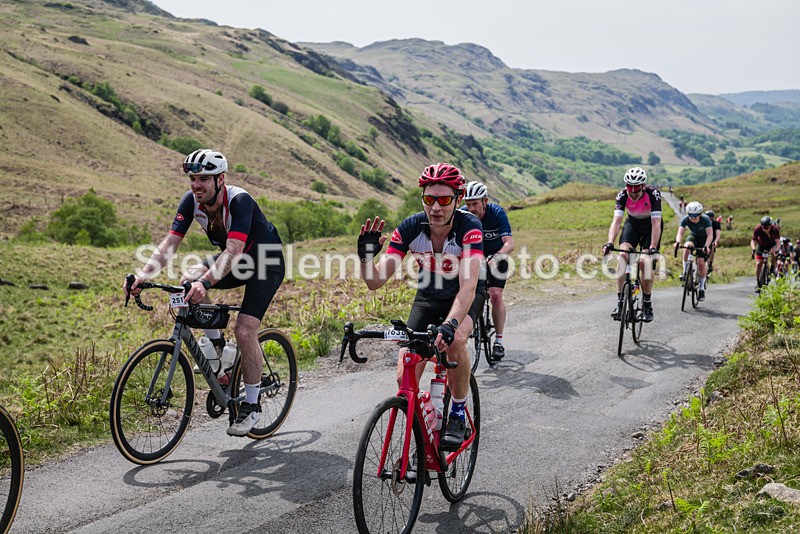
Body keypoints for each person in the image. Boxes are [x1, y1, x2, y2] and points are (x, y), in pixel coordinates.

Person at [122, 149, 285, 436]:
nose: (196, 185)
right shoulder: (191, 201)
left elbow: (233, 250)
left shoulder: (240, 201)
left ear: (221, 179)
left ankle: (251, 405)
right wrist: (143, 275)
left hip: (265, 263)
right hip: (236, 261)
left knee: (245, 330)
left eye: (204, 179)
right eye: (193, 179)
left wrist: (206, 283)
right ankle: (219, 348)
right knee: (188, 278)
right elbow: (169, 244)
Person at [357, 163, 484, 450]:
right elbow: (375, 281)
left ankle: (457, 412)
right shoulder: (411, 227)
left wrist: (450, 325)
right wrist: (365, 257)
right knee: (404, 375)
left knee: (456, 340)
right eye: (429, 199)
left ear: (458, 199)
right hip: (429, 295)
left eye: (444, 199)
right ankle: (425, 431)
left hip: (466, 293)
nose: (435, 207)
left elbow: (468, 287)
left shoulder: (469, 227)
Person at [461, 181, 515, 362]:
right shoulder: (462, 214)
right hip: (474, 258)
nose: (471, 208)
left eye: (475, 204)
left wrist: (497, 257)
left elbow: (509, 243)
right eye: (468, 204)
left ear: (485, 201)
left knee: (495, 295)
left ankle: (498, 341)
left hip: (496, 256)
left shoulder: (497, 213)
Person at [603, 167, 663, 323]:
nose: (633, 193)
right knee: (623, 256)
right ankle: (620, 302)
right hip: (633, 225)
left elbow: (656, 223)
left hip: (650, 227)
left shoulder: (653, 194)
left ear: (643, 186)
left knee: (644, 262)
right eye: (630, 189)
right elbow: (616, 222)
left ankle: (647, 305)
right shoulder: (623, 195)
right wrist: (610, 242)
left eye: (636, 190)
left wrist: (653, 247)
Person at [674, 202, 714, 301]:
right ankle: (685, 271)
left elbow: (710, 234)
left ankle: (701, 289)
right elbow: (680, 232)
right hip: (694, 236)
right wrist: (678, 242)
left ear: (700, 214)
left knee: (700, 262)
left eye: (695, 216)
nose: (692, 218)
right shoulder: (685, 219)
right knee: (687, 247)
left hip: (705, 240)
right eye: (690, 216)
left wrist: (706, 246)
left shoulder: (705, 219)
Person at [750, 216, 780, 293]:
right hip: (762, 245)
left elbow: (778, 243)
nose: (765, 229)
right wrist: (753, 249)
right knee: (758, 264)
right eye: (763, 227)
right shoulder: (758, 229)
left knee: (774, 254)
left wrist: (775, 249)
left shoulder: (775, 229)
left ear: (770, 226)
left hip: (772, 244)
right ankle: (758, 282)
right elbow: (753, 241)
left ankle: (772, 267)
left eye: (766, 227)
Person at [704, 209, 722, 273]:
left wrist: (715, 241)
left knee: (712, 248)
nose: (710, 220)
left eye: (711, 219)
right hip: (703, 239)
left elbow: (718, 234)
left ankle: (710, 264)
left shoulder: (716, 223)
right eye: (708, 219)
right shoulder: (703, 223)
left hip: (712, 239)